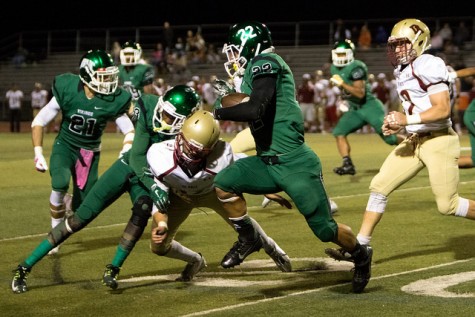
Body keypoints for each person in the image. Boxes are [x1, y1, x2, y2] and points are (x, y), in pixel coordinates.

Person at [212, 21, 372, 293]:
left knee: (324, 229)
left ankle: (360, 254)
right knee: (224, 183)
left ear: (251, 45)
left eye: (235, 49)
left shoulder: (266, 62)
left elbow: (254, 108)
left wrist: (217, 111)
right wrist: (229, 98)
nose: (232, 57)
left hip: (294, 163)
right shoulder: (252, 69)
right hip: (266, 162)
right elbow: (248, 103)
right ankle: (249, 237)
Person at [10, 85, 199, 294]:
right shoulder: (148, 105)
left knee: (143, 209)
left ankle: (114, 268)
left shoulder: (192, 135)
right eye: (164, 112)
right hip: (129, 166)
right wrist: (155, 187)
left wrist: (163, 189)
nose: (162, 118)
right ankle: (23, 268)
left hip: (150, 177)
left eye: (170, 117)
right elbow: (136, 157)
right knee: (80, 218)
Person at [325, 18, 475, 266]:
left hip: (439, 140)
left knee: (447, 205)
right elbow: (412, 106)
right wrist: (395, 122)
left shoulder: (429, 63)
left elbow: (442, 110)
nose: (397, 49)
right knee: (379, 187)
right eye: (394, 45)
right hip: (415, 140)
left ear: (419, 42)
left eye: (402, 44)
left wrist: (406, 120)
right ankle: (361, 246)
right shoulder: (404, 69)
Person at [102, 110, 292, 290]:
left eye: (198, 151)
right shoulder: (159, 155)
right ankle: (195, 260)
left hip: (212, 193)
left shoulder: (222, 155)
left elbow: (245, 167)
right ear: (179, 136)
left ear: (211, 149)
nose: (189, 153)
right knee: (158, 247)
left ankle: (272, 248)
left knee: (243, 224)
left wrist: (264, 189)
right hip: (179, 196)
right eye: (187, 146)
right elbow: (159, 194)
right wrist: (162, 223)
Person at [28, 49, 135, 255]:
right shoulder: (68, 88)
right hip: (65, 146)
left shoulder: (111, 99)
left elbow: (129, 129)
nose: (108, 82)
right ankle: (55, 235)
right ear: (86, 75)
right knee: (59, 183)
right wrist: (38, 152)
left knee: (84, 207)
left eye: (110, 76)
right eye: (102, 77)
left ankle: (71, 202)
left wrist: (127, 148)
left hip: (89, 154)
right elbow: (39, 121)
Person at [330, 39, 401, 176]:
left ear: (350, 54)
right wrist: (343, 100)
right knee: (339, 132)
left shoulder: (357, 67)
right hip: (355, 109)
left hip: (369, 106)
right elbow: (345, 91)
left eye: (343, 54)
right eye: (338, 55)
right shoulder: (334, 68)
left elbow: (360, 93)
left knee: (390, 139)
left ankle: (417, 149)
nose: (340, 57)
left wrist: (342, 84)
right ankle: (347, 164)